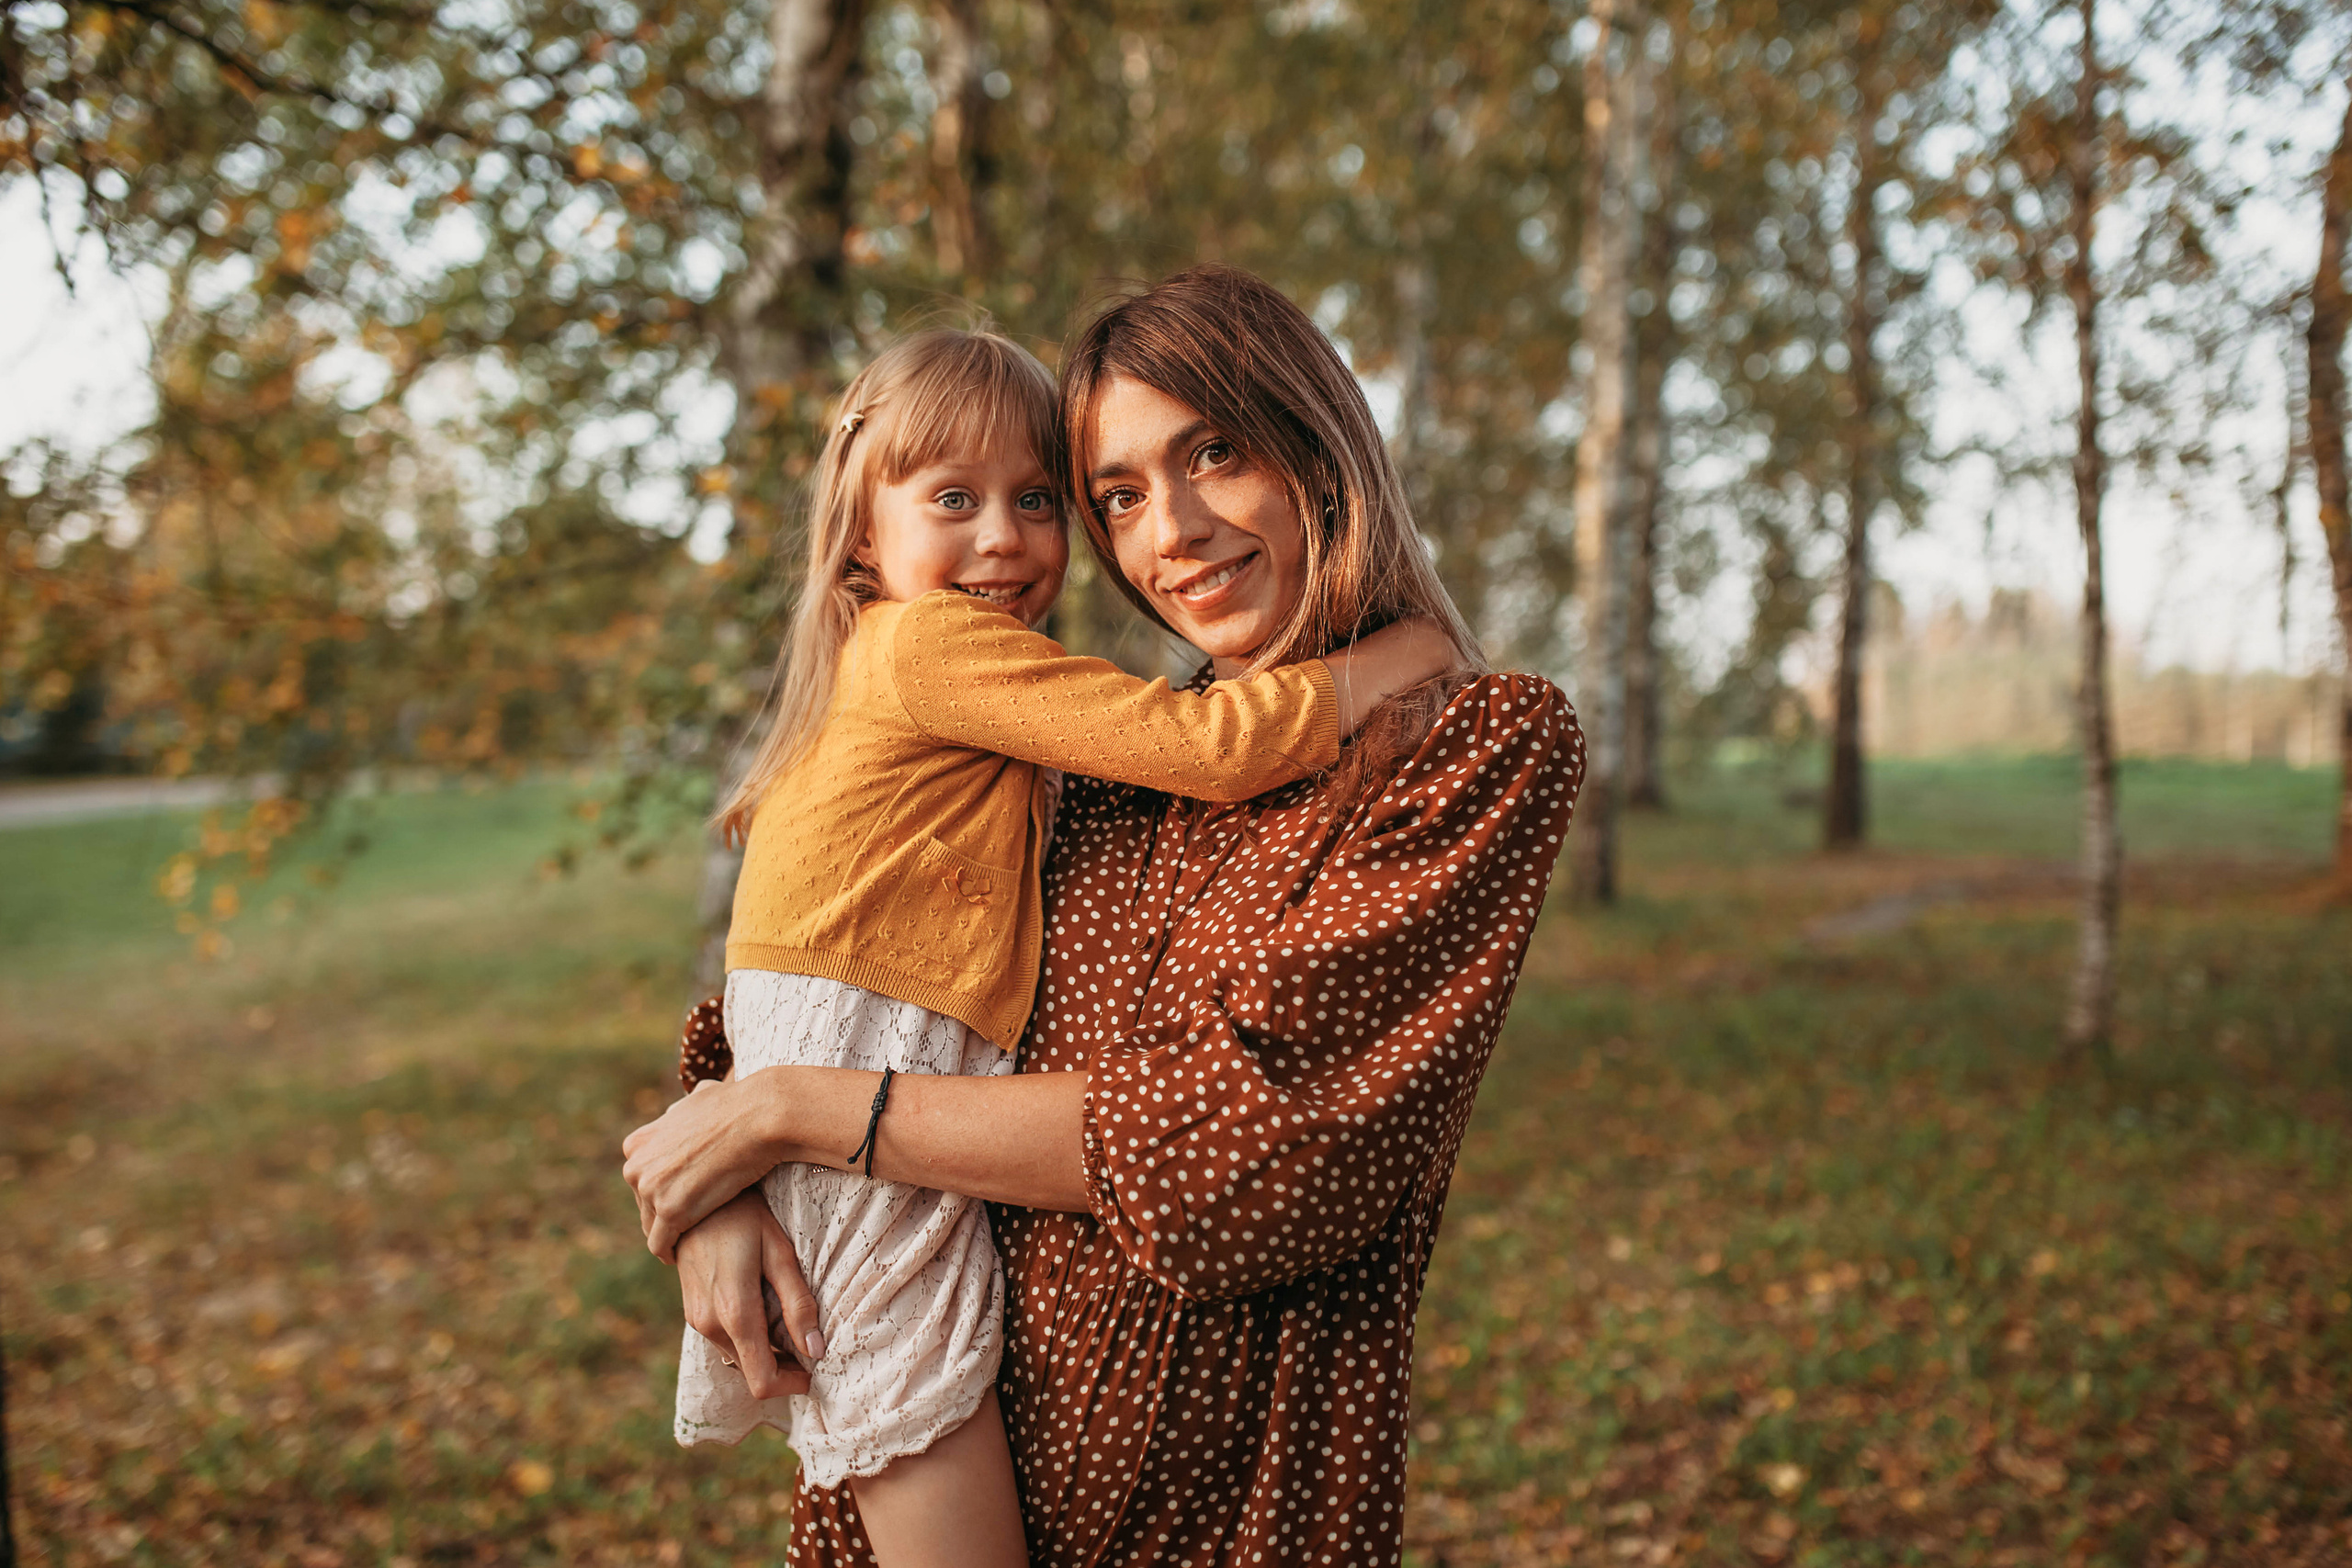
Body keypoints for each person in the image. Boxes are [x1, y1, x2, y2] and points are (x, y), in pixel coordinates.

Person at [623, 266, 1584, 1565]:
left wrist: (790, 1115)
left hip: (1218, 1513)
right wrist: (725, 1184)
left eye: (1216, 455)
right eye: (1121, 497)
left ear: (1322, 450)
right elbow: (834, 964)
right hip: (924, 1433)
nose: (1172, 531)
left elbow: (1241, 1156)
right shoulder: (1102, 778)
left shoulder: (1468, 746)